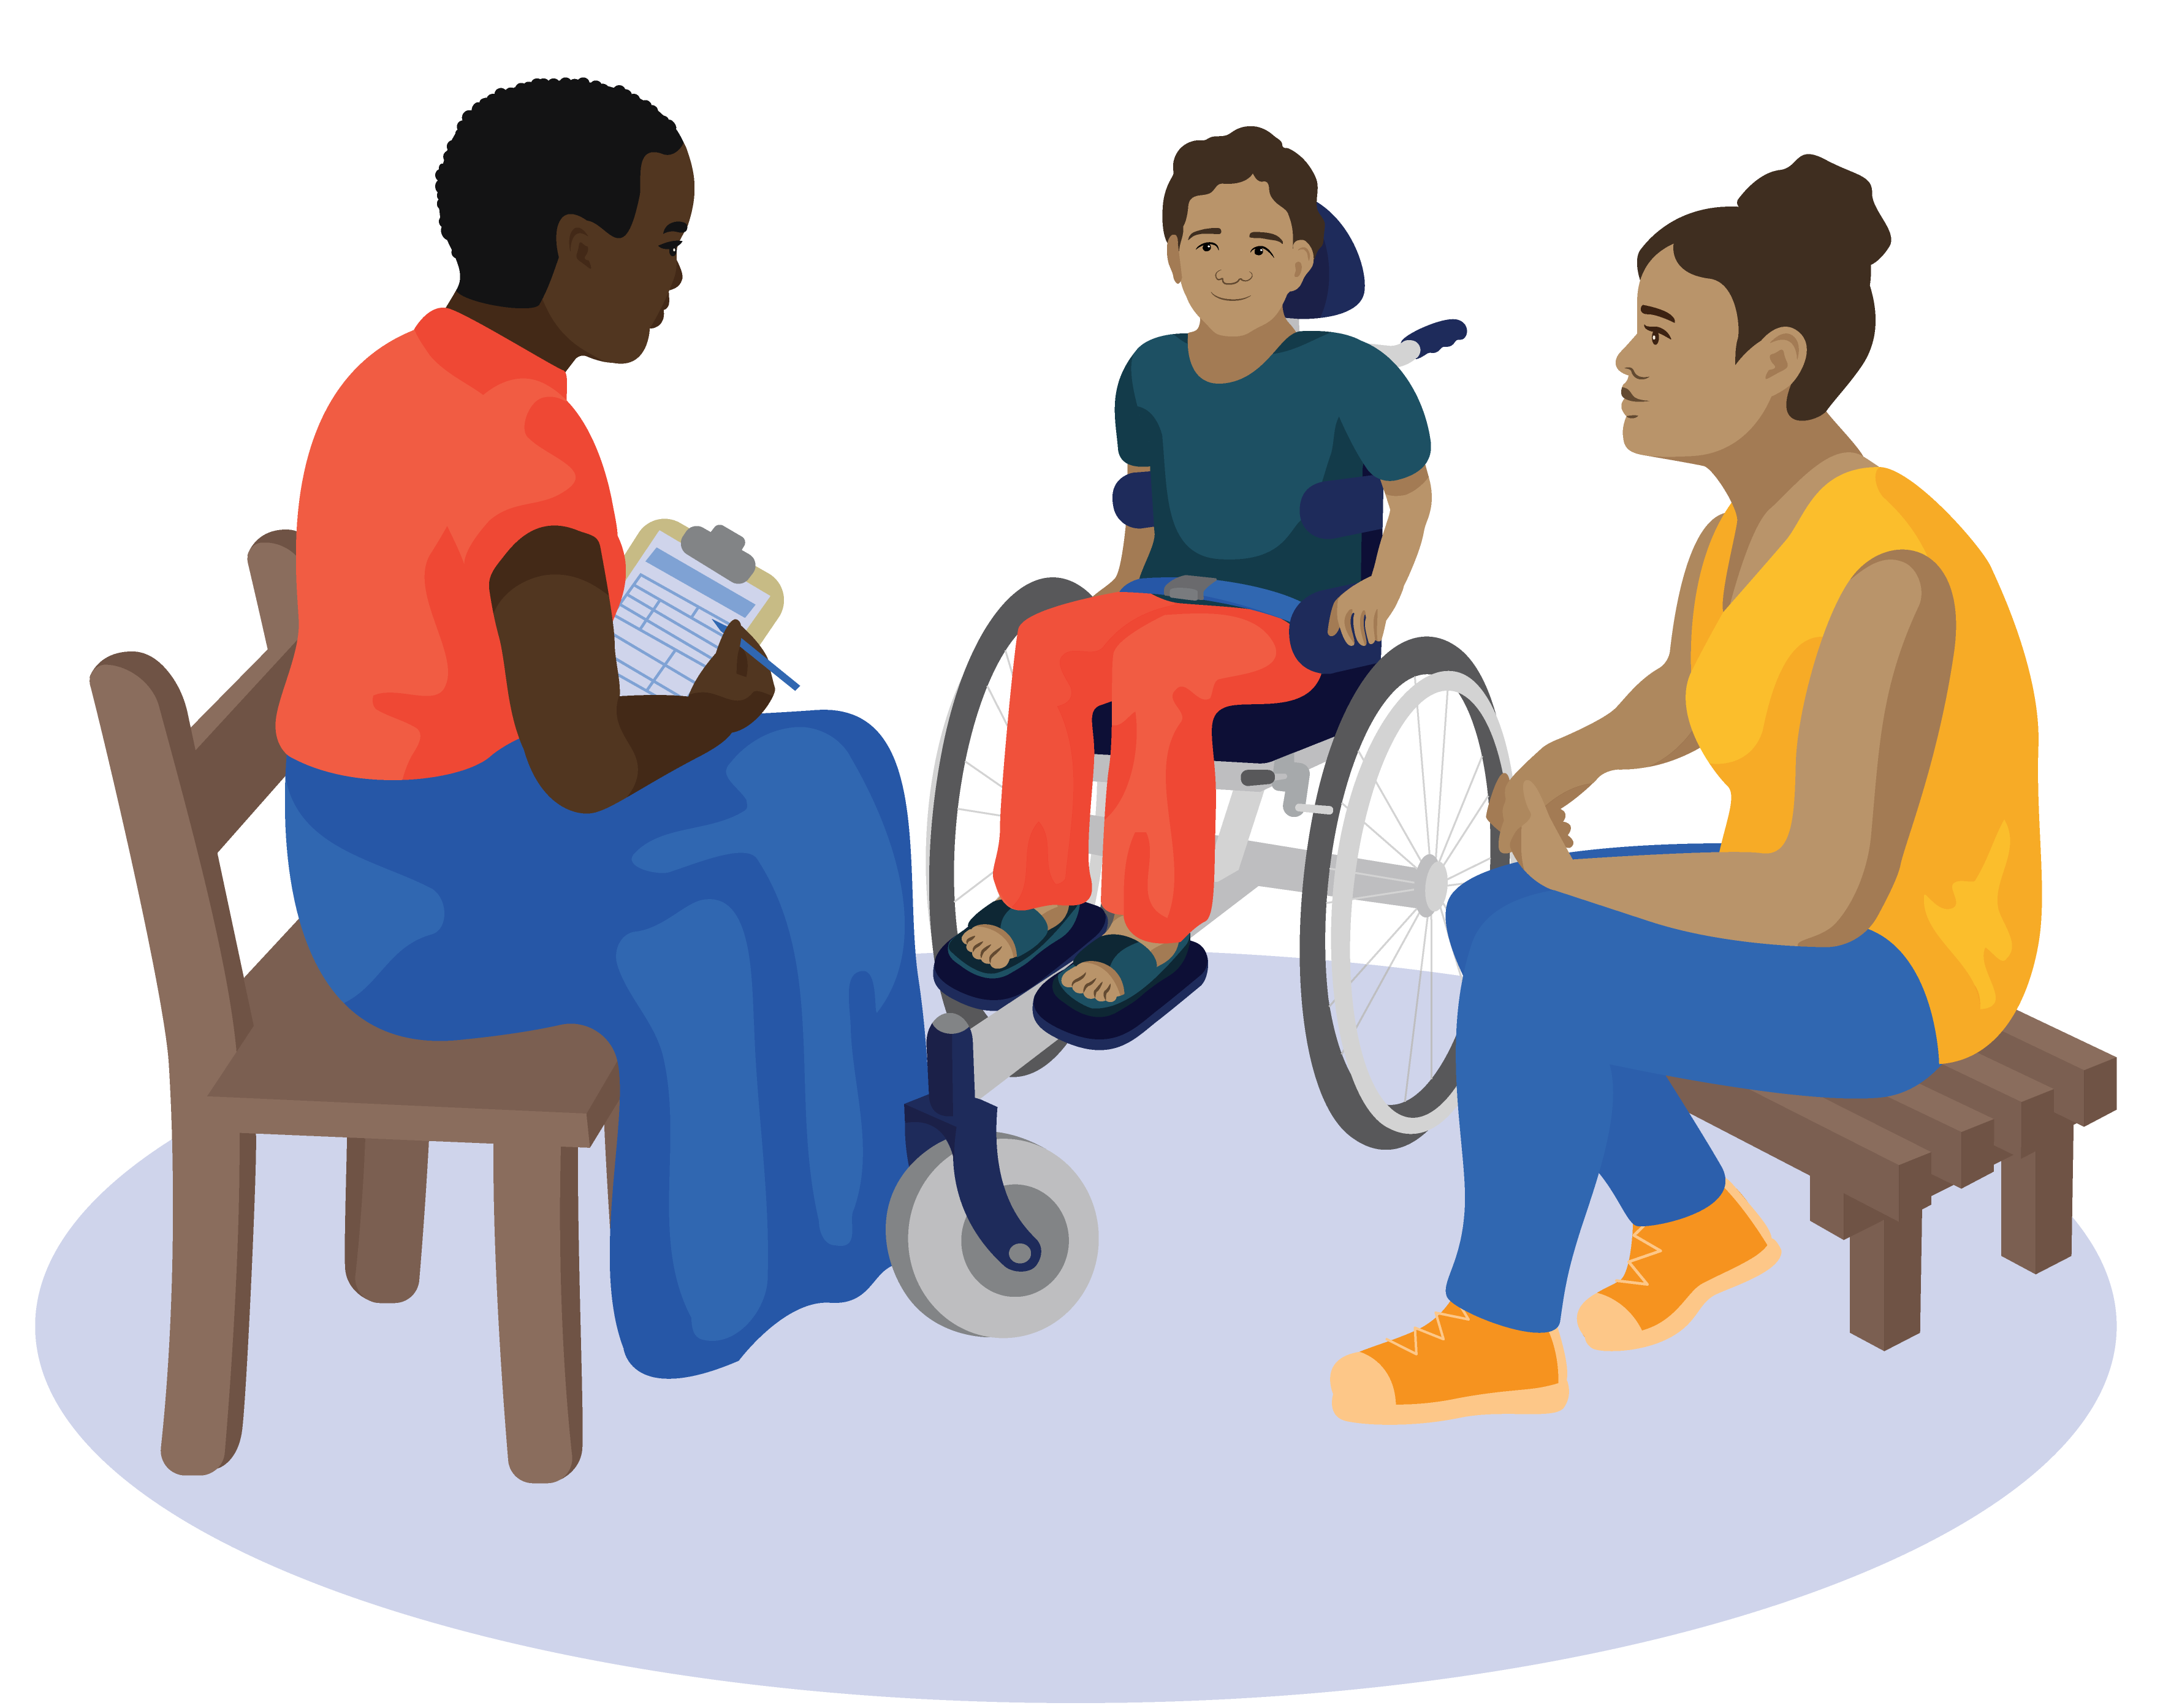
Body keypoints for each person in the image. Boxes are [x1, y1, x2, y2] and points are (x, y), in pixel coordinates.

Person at [1329, 155, 2040, 1425]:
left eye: (1660, 331)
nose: (1623, 357)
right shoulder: (1733, 535)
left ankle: (1501, 1327)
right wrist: (1570, 759)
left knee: (1537, 954)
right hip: (1804, 919)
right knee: (1491, 918)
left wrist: (1571, 883)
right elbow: (1689, 692)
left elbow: (1818, 894)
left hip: (1905, 970)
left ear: (1773, 361)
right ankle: (1697, 1223)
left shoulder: (1885, 571)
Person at [275, 79, 924, 1380]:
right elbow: (581, 771)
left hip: (383, 827)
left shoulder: (406, 372)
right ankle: (727, 1294)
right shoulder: (529, 454)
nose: (677, 276)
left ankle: (862, 1187)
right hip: (425, 903)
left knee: (837, 766)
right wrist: (716, 703)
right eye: (666, 241)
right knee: (718, 911)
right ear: (578, 246)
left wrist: (673, 694)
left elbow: (490, 664)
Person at [933, 127, 1434, 1042]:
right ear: (1173, 258)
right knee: (1048, 641)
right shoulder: (1151, 369)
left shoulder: (1346, 374)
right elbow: (1142, 503)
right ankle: (1038, 899)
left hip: (1288, 622)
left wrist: (1380, 596)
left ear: (1298, 260)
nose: (1230, 266)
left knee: (1162, 666)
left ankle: (1148, 928)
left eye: (1256, 246)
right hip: (1160, 592)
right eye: (1206, 243)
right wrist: (1113, 593)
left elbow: (1410, 496)